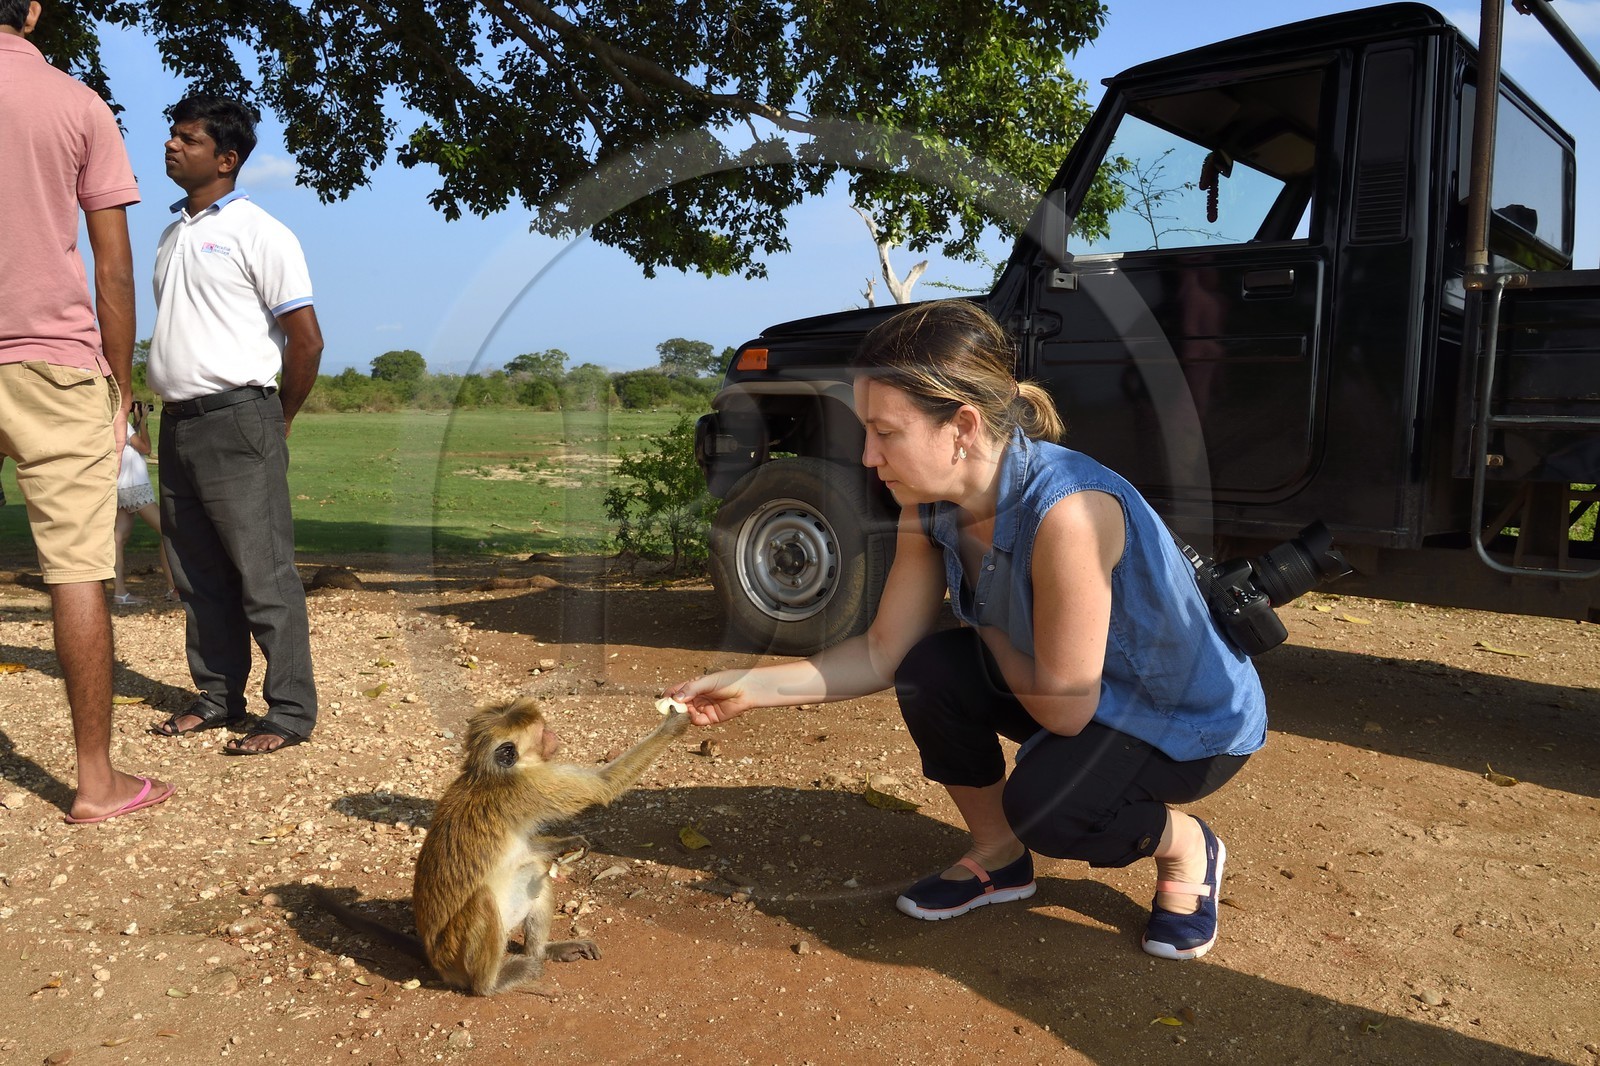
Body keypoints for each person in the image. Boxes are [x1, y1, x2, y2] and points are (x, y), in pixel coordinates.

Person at [667, 301, 1267, 960]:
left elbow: (1065, 712)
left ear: (962, 426)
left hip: (1184, 725)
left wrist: (991, 636)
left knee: (1049, 802)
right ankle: (998, 855)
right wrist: (751, 686)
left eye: (884, 432)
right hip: (1075, 693)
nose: (868, 456)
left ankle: (1186, 847)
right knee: (930, 670)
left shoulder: (1068, 513)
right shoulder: (927, 506)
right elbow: (882, 651)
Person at [0, 0, 175, 822]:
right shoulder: (77, 103)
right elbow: (112, 264)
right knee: (77, 567)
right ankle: (95, 781)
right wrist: (119, 377)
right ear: (31, 13)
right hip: (55, 362)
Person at [146, 94, 323, 755]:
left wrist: (277, 421)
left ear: (226, 159)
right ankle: (218, 697)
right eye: (172, 134)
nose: (171, 145)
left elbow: (306, 340)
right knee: (195, 572)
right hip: (179, 424)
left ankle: (290, 712)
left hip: (240, 417)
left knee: (263, 571)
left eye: (187, 139)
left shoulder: (260, 232)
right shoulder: (172, 235)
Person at [111, 401, 177, 605]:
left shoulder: (114, 421)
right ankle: (174, 588)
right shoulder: (122, 423)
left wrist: (138, 422)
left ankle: (120, 593)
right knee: (169, 532)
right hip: (134, 486)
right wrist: (145, 421)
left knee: (118, 539)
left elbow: (131, 444)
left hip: (121, 485)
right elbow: (146, 448)